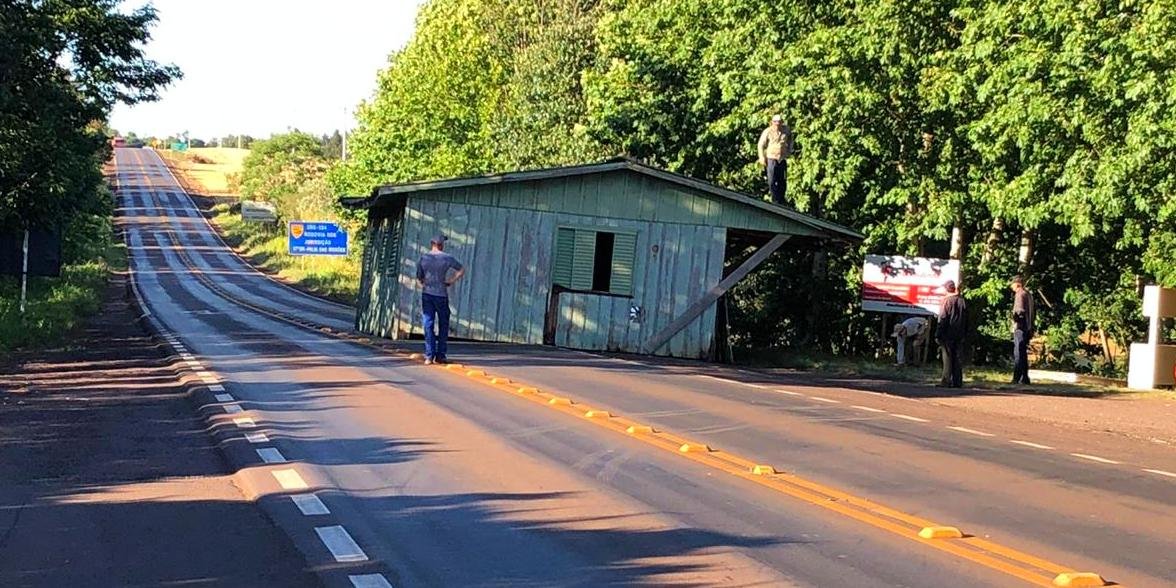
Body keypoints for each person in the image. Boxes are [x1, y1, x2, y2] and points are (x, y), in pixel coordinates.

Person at [416, 234, 465, 365]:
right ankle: (441, 355)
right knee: (443, 324)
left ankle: (429, 355)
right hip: (442, 295)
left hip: (427, 294)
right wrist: (451, 281)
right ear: (441, 245)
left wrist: (424, 284)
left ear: (431, 244)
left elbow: (419, 277)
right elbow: (461, 270)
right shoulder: (447, 258)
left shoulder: (424, 258)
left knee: (428, 323)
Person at [935, 280, 967, 387]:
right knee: (957, 358)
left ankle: (946, 381)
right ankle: (958, 381)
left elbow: (943, 318)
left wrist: (938, 334)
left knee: (947, 358)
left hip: (947, 334)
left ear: (947, 289)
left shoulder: (947, 301)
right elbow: (966, 318)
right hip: (959, 333)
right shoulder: (962, 301)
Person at [757, 114, 793, 204]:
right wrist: (761, 157)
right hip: (771, 158)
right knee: (772, 180)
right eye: (775, 122)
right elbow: (760, 144)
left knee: (782, 180)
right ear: (772, 122)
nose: (777, 124)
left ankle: (781, 199)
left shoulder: (786, 130)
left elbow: (790, 139)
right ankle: (774, 199)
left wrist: (789, 150)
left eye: (779, 122)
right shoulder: (767, 131)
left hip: (782, 158)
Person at [1011, 275, 1035, 385]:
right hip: (1028, 327)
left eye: (1013, 284)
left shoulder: (1020, 294)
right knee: (1023, 354)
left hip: (1020, 328)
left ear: (1017, 284)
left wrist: (1014, 320)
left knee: (1018, 353)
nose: (1011, 286)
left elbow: (1019, 312)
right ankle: (1025, 377)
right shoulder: (1028, 294)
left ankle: (1017, 377)